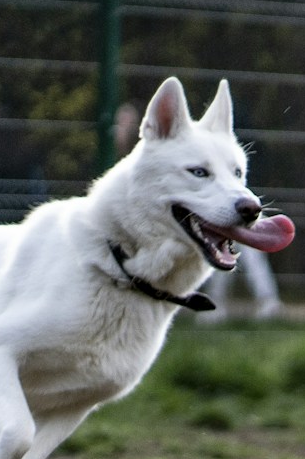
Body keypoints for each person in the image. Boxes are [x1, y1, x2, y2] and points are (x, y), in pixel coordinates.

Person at [114, 99, 282, 318]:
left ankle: (264, 300)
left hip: (231, 201)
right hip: (215, 205)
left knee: (239, 251)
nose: (120, 125)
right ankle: (224, 305)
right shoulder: (147, 151)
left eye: (124, 120)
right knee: (227, 248)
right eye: (119, 121)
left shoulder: (192, 142)